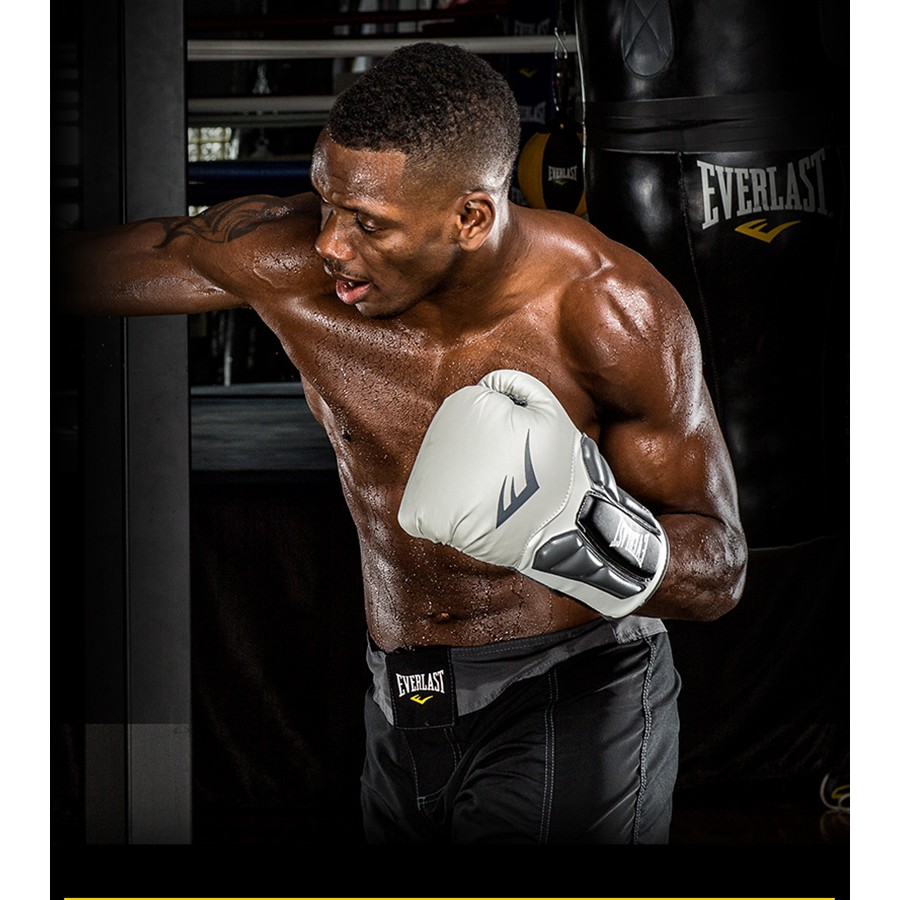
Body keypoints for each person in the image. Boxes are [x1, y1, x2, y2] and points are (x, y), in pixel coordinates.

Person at [59, 41, 747, 843]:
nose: (330, 243)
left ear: (470, 218)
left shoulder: (608, 311)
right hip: (401, 703)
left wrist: (588, 536)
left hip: (572, 690)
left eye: (368, 223)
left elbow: (721, 570)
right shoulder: (292, 267)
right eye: (327, 202)